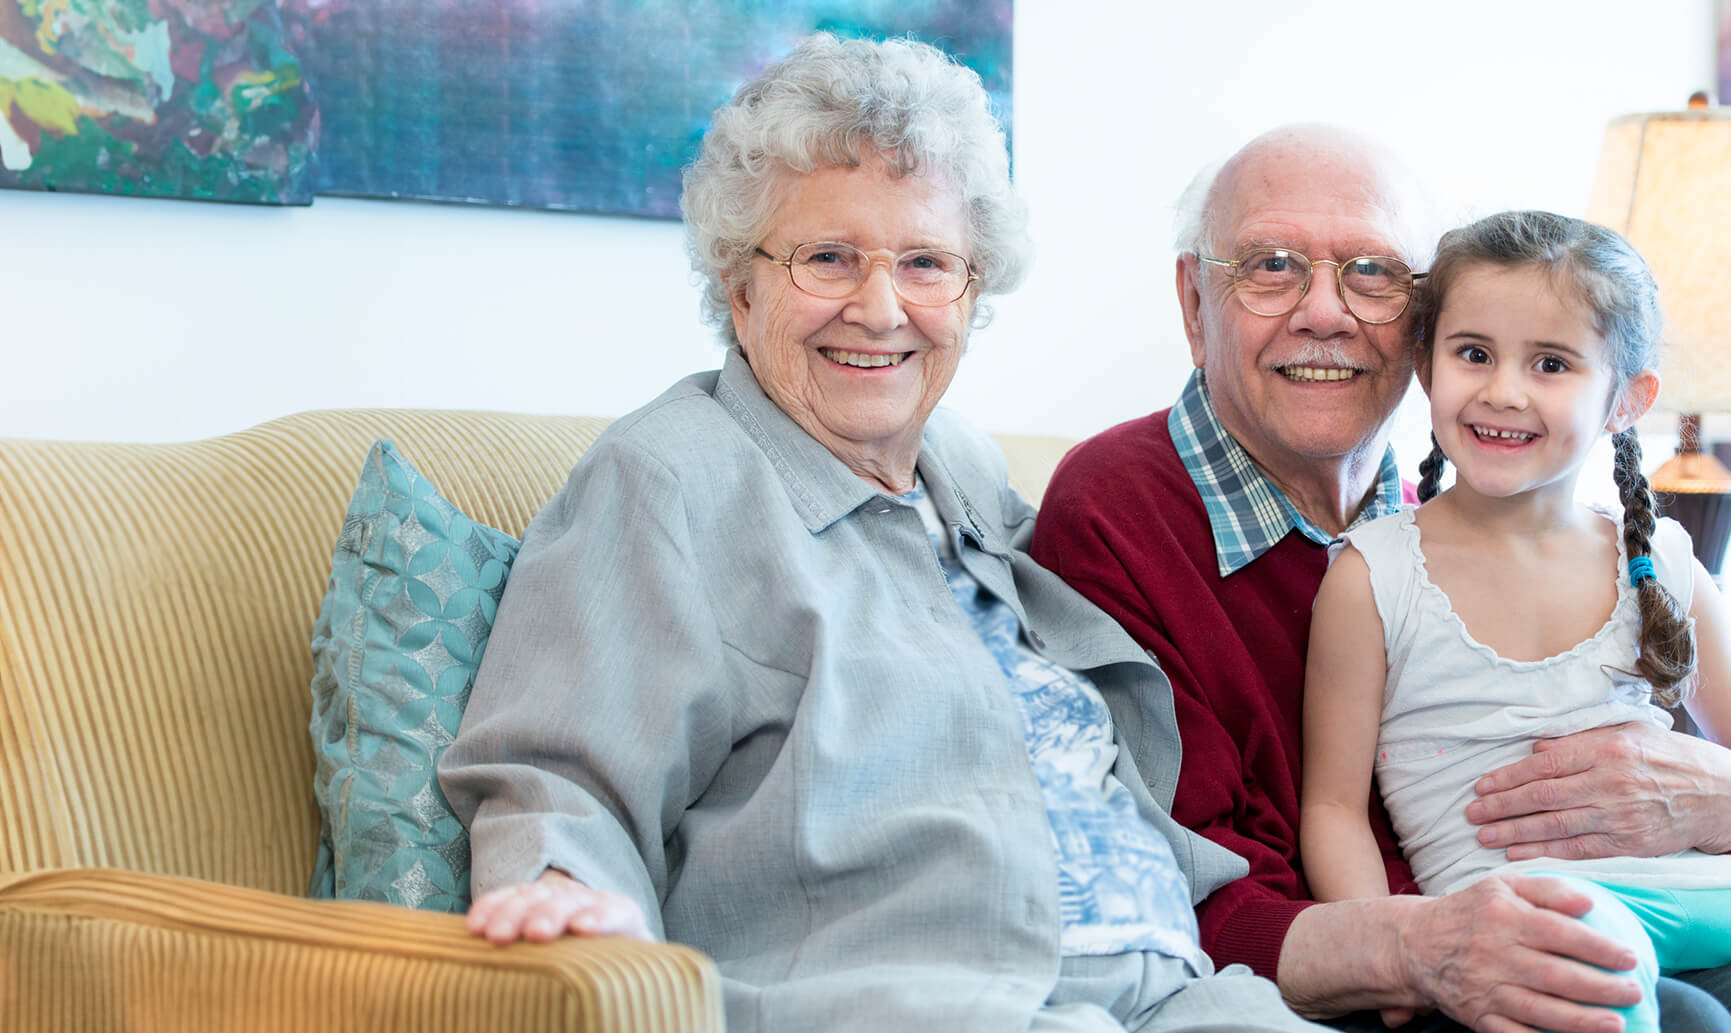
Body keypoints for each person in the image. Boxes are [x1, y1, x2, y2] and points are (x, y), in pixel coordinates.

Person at [436, 34, 1336, 1033]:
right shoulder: (670, 475)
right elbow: (561, 773)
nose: (879, 307)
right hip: (926, 1004)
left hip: (1178, 996)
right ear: (740, 287)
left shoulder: (965, 473)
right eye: (827, 258)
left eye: (924, 262)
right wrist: (566, 903)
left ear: (969, 292)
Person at [1029, 125, 1731, 1033]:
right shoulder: (1120, 512)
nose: (1324, 312)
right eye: (1270, 265)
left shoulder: (1434, 500)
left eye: (1372, 273)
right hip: (1371, 980)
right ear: (1193, 301)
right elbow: (1177, 883)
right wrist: (1410, 953)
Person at [1301, 210, 1731, 1033]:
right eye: (1473, 353)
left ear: (1625, 399)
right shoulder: (1371, 576)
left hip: (1689, 891)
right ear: (1425, 368)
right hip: (1517, 921)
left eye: (1550, 362)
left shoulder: (1663, 563)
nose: (1502, 389)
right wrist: (1392, 962)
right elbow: (1331, 808)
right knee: (1662, 1003)